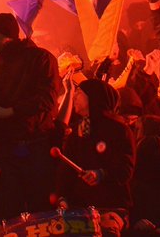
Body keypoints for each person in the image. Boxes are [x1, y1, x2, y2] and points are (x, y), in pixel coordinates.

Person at [0, 12, 62, 220]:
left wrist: (10, 111)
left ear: (6, 35)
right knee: (8, 215)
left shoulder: (41, 58)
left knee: (41, 211)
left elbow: (47, 99)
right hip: (7, 153)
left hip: (37, 147)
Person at [54, 79, 134, 236]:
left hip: (110, 207)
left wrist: (101, 174)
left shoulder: (118, 130)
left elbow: (125, 169)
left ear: (93, 97)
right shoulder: (79, 129)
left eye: (79, 93)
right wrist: (62, 197)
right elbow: (66, 171)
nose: (74, 96)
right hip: (80, 208)